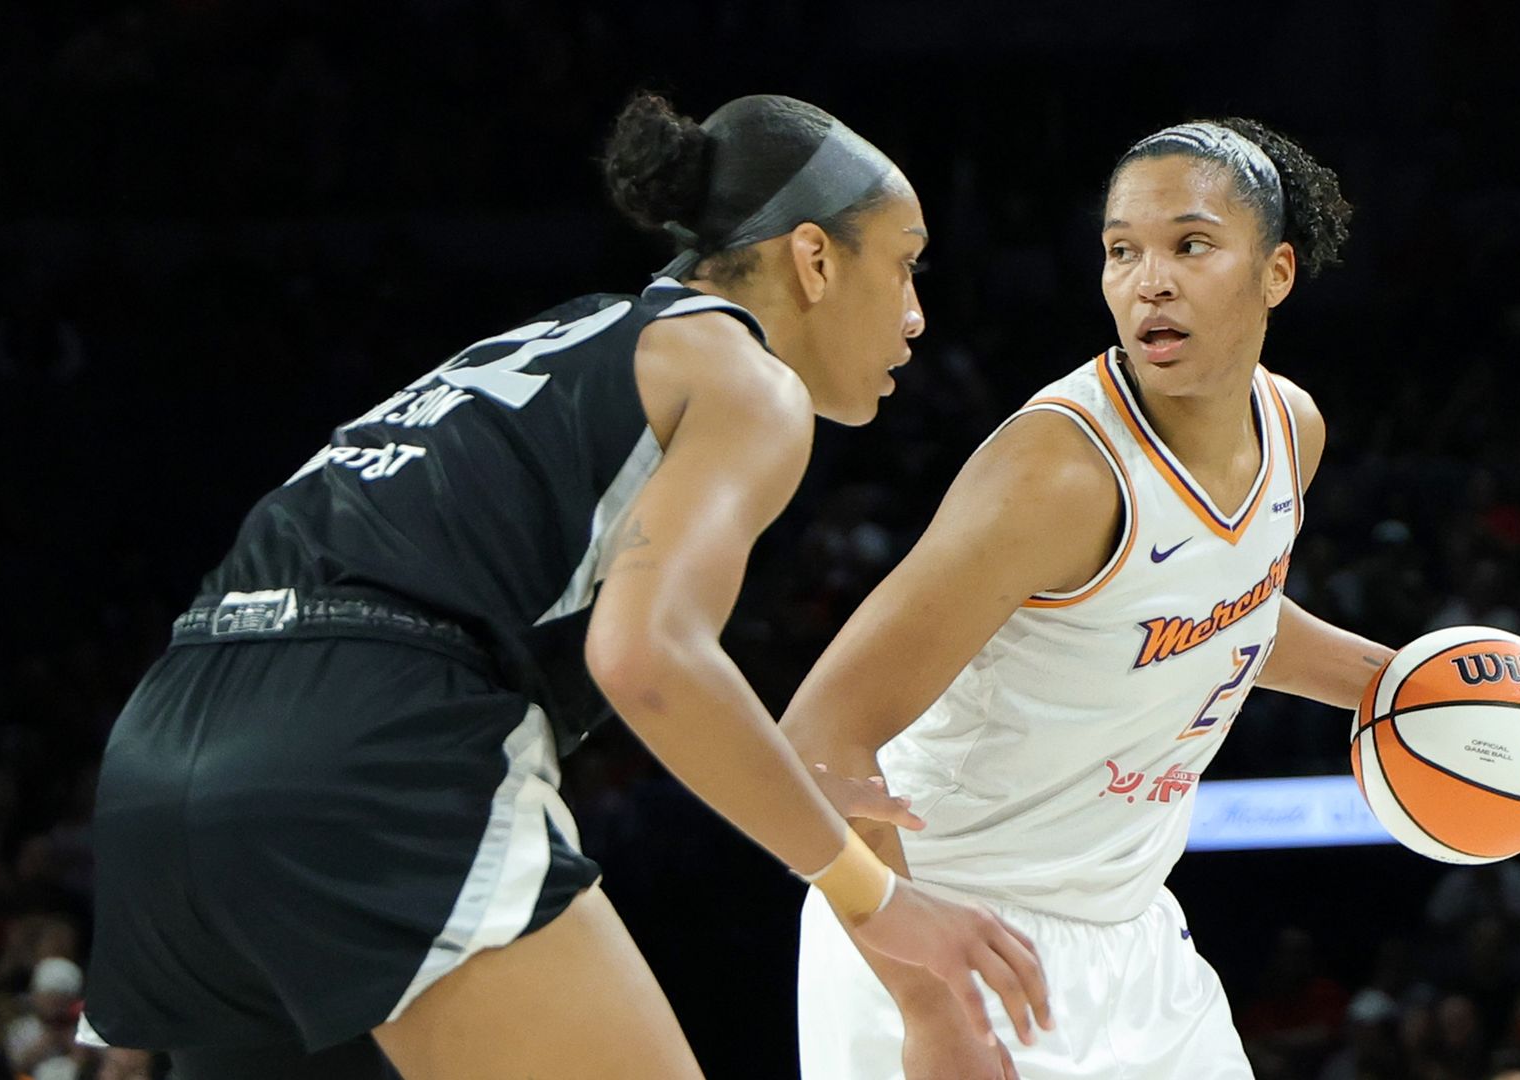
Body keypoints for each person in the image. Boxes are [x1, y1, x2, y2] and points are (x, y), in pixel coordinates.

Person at [77, 92, 1050, 1080]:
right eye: (905, 262)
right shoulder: (744, 378)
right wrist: (877, 902)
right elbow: (644, 655)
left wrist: (775, 772)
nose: (919, 313)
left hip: (161, 758)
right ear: (812, 259)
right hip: (365, 760)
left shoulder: (562, 338)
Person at [785, 118, 1388, 1078]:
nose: (1149, 279)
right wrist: (927, 1006)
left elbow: (1212, 611)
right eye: (1121, 251)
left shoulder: (1290, 429)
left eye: (1191, 245)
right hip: (949, 929)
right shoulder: (1057, 473)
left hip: (1135, 929)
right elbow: (820, 735)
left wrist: (1401, 686)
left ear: (1276, 272)